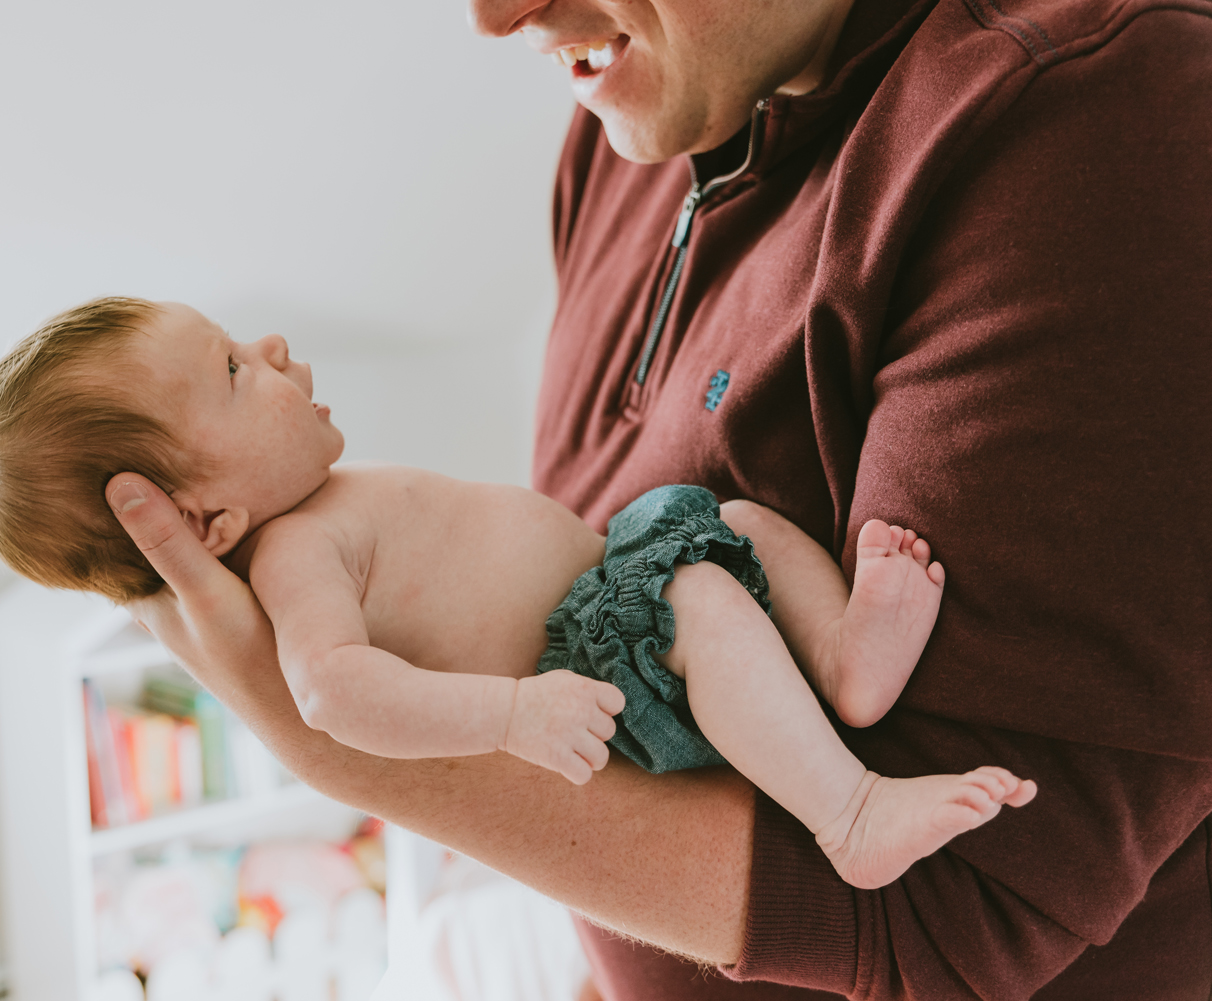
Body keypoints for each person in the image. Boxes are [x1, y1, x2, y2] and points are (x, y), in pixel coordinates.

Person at [97, 0, 1212, 996]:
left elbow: (954, 913)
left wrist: (340, 753)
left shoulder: (1097, 120)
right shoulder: (641, 120)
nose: (493, 17)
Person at [0, 298, 1037, 890]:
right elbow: (331, 692)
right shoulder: (296, 560)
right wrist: (515, 715)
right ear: (205, 524)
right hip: (608, 673)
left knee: (737, 524)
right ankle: (847, 809)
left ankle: (845, 662)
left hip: (626, 584)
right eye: (236, 370)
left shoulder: (327, 500)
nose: (275, 345)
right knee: (704, 600)